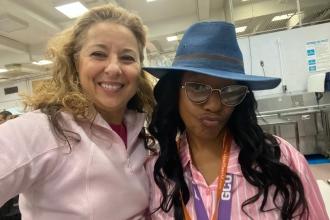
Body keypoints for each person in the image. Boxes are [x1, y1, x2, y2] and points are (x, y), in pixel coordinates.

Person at [145, 21, 329, 220]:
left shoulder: (280, 160)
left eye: (230, 91)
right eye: (198, 88)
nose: (215, 106)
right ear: (174, 93)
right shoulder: (158, 172)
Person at [0, 4, 154, 220]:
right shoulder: (42, 130)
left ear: (139, 68)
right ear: (75, 63)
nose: (113, 68)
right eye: (98, 54)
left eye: (127, 57)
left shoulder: (143, 134)